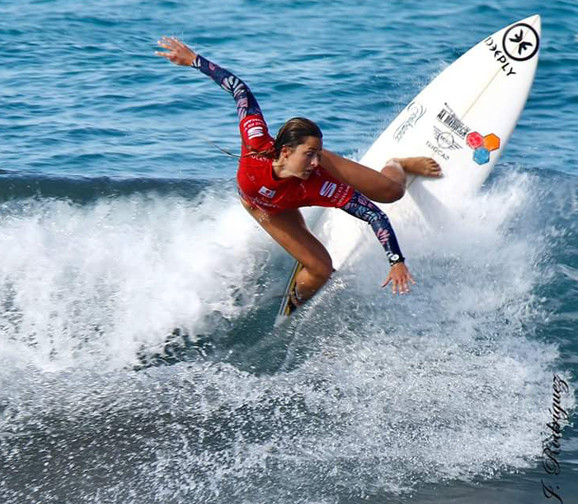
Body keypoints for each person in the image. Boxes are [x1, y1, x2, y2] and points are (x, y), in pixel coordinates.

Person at [155, 37, 442, 305]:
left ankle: (398, 164)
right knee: (321, 269)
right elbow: (238, 89)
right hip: (265, 207)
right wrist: (194, 60)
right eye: (309, 154)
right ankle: (293, 308)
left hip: (300, 184)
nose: (316, 161)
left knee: (391, 192)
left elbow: (372, 213)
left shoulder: (318, 180)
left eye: (317, 153)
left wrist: (396, 261)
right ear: (285, 152)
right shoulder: (256, 142)